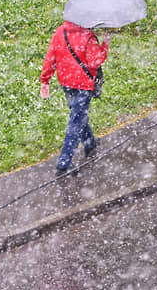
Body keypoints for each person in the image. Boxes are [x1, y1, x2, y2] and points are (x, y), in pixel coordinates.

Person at [40, 21, 111, 175]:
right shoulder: (88, 37)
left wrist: (45, 79)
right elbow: (94, 62)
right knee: (76, 121)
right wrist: (105, 45)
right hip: (83, 85)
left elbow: (51, 56)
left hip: (66, 82)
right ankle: (64, 163)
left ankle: (89, 143)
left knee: (78, 115)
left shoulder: (60, 32)